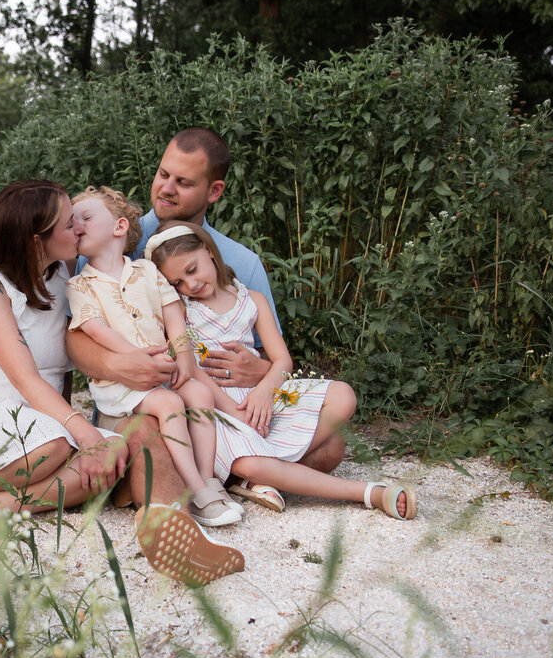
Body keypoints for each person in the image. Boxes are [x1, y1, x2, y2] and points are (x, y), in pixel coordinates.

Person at [67, 127, 348, 516]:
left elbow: (271, 357)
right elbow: (73, 338)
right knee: (154, 433)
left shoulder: (240, 262)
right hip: (147, 399)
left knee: (332, 448)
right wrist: (117, 363)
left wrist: (260, 371)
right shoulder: (108, 240)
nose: (166, 188)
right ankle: (175, 517)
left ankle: (217, 471)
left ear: (213, 192)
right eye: (163, 174)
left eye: (184, 182)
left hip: (223, 405)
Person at [149, 222, 417, 519]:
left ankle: (264, 477)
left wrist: (264, 392)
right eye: (177, 283)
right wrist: (234, 411)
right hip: (217, 407)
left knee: (344, 396)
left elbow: (282, 361)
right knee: (250, 463)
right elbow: (193, 370)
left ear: (209, 252)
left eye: (192, 269)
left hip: (260, 394)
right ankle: (368, 492)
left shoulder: (252, 300)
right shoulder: (182, 310)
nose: (190, 285)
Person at [0, 180, 129, 532]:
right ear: (36, 240)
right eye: (68, 224)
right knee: (56, 447)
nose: (78, 228)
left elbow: (59, 372)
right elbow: (24, 377)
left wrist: (88, 445)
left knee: (109, 461)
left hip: (41, 416)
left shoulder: (62, 272)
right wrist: (84, 435)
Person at [66, 186, 240, 527]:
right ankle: (194, 488)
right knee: (170, 404)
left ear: (118, 228)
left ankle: (207, 482)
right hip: (121, 381)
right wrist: (138, 359)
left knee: (200, 393)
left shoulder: (147, 270)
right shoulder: (80, 285)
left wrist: (183, 353)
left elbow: (174, 313)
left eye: (85, 218)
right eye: (72, 223)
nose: (77, 226)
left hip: (164, 370)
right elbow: (96, 329)